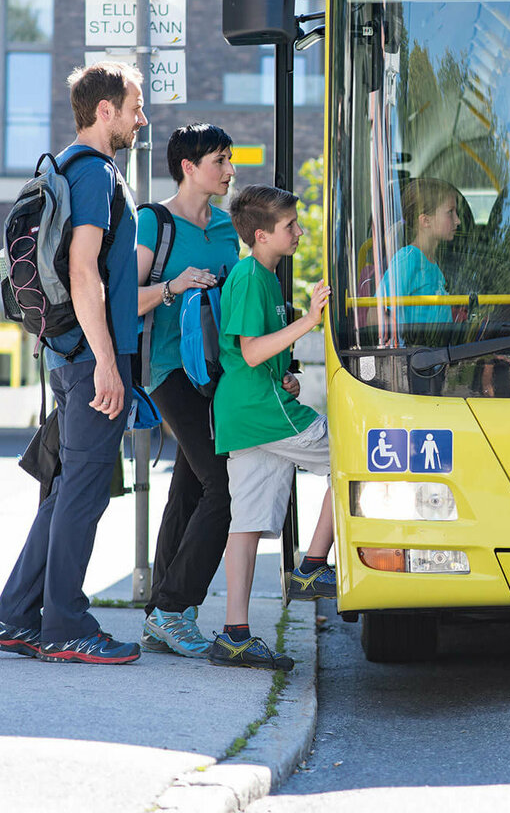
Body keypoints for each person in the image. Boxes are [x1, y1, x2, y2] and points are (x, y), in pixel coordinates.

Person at [0, 62, 146, 664]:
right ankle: (66, 626)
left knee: (66, 491)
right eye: (135, 107)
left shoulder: (61, 166)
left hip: (65, 352)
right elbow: (84, 270)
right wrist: (108, 364)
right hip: (90, 359)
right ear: (105, 111)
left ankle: (15, 616)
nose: (142, 119)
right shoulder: (94, 175)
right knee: (82, 491)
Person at [209, 184, 336, 670]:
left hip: (248, 414)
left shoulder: (263, 276)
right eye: (291, 226)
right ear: (261, 235)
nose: (300, 232)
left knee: (246, 526)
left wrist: (286, 371)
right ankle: (311, 567)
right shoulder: (249, 277)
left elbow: (263, 354)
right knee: (355, 457)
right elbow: (250, 350)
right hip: (264, 412)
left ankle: (235, 635)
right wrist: (309, 321)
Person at [135, 124, 240, 657]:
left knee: (190, 488)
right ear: (189, 167)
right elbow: (123, 301)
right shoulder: (153, 221)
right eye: (220, 159)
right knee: (224, 486)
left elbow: (235, 307)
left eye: (230, 158)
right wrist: (175, 285)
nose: (229, 169)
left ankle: (159, 611)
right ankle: (177, 607)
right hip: (168, 368)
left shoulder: (226, 229)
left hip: (215, 372)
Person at [377, 177, 461, 324]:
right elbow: (375, 314)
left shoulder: (433, 262)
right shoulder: (408, 259)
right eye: (450, 212)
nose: (458, 220)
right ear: (425, 221)